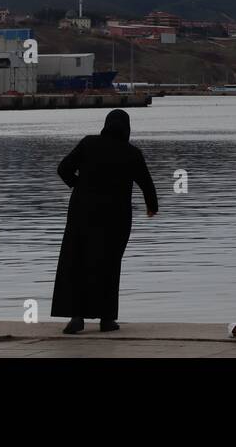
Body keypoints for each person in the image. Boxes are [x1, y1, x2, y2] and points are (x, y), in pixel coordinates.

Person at [52, 109, 159, 335]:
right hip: (116, 217)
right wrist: (152, 207)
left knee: (78, 263)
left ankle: (76, 318)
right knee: (109, 264)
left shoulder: (88, 144)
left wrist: (78, 185)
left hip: (82, 213)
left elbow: (63, 169)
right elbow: (146, 184)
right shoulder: (132, 153)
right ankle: (107, 319)